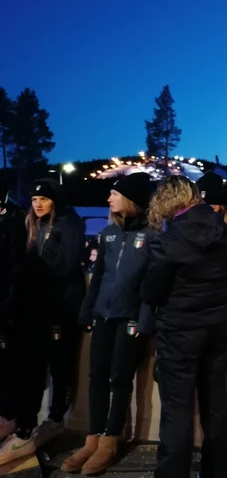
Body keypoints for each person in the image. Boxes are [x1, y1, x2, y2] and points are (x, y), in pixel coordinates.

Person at [142, 176, 227, 478]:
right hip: (215, 326)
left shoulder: (168, 241)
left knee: (177, 408)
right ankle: (217, 470)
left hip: (178, 331)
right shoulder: (226, 232)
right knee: (216, 401)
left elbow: (152, 292)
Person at [61, 173, 155, 474]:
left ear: (130, 200)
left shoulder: (152, 237)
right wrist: (87, 313)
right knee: (97, 377)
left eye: (114, 194)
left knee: (120, 378)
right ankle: (93, 438)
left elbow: (151, 285)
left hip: (129, 320)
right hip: (103, 316)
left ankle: (110, 440)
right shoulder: (108, 234)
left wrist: (143, 320)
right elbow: (99, 277)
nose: (108, 199)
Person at [0, 178, 86, 465]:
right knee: (29, 366)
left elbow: (64, 265)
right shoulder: (34, 225)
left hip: (61, 308)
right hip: (36, 307)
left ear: (55, 201)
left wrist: (29, 273)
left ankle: (55, 418)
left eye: (44, 199)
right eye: (34, 200)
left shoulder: (68, 224)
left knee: (59, 363)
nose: (38, 204)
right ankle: (20, 421)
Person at [0, 182, 27, 441]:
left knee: (7, 364)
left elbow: (16, 267)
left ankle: (8, 416)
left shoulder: (14, 221)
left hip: (8, 306)